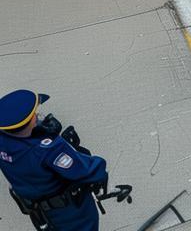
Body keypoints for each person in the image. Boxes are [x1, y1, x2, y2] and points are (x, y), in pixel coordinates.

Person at [0, 90, 110, 230]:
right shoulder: (48, 149)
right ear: (28, 121)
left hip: (41, 213)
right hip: (70, 214)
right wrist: (58, 141)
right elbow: (89, 170)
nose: (37, 116)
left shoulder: (3, 141)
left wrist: (39, 133)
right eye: (34, 114)